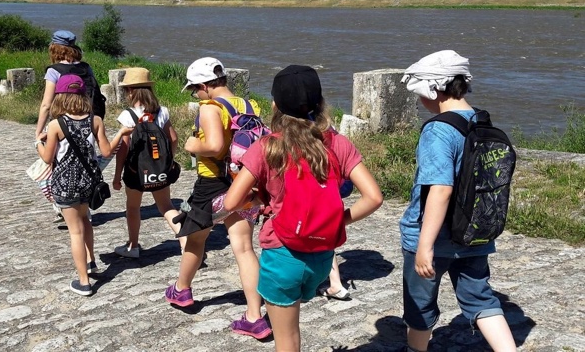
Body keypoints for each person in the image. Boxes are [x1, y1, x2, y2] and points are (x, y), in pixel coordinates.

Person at [223, 65, 383, 352]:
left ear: (274, 104)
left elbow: (231, 202)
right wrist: (335, 222)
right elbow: (373, 197)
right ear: (320, 103)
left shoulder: (266, 147)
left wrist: (262, 199)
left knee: (288, 340)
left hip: (283, 254)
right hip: (322, 258)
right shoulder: (338, 143)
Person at [399, 50, 516, 352]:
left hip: (432, 237)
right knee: (480, 297)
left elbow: (440, 189)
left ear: (434, 88)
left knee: (420, 305)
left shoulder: (439, 130)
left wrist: (425, 246)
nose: (419, 101)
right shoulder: (480, 120)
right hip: (475, 230)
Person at [165, 57, 271, 340]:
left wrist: (191, 144)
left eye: (194, 89)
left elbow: (213, 146)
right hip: (243, 182)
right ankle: (255, 317)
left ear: (204, 86)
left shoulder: (210, 107)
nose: (195, 94)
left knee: (195, 241)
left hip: (212, 185)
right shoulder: (250, 106)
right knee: (245, 248)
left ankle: (182, 290)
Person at [35, 74, 131, 296]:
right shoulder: (94, 120)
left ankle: (84, 282)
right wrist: (121, 134)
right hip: (89, 183)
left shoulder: (56, 125)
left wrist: (38, 143)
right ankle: (91, 262)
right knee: (86, 222)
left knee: (75, 232)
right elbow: (106, 152)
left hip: (66, 185)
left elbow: (47, 158)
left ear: (60, 97)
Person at [35, 30, 107, 222]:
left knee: (58, 163)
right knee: (86, 161)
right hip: (89, 120)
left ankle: (65, 206)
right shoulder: (86, 68)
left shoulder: (54, 70)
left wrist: (38, 131)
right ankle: (84, 204)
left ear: (55, 49)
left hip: (62, 124)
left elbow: (46, 104)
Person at [112, 67, 183, 258]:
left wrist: (117, 176)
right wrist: (166, 161)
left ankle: (133, 246)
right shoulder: (162, 112)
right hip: (159, 169)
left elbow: (123, 149)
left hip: (136, 171)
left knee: (133, 207)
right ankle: (186, 242)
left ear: (131, 91)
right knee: (167, 206)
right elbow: (174, 138)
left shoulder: (128, 115)